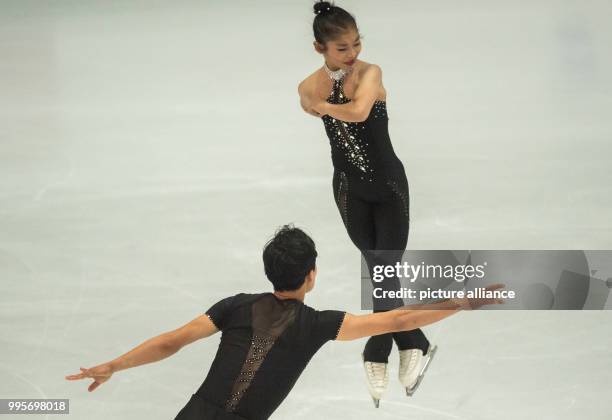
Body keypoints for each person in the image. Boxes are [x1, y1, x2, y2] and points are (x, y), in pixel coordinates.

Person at [65, 225, 503, 418]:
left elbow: (171, 342)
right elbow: (401, 319)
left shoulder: (235, 307)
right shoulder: (316, 325)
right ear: (311, 276)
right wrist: (464, 301)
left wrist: (114, 366)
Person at [297, 1, 431, 405]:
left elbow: (357, 112)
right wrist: (320, 99)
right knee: (378, 268)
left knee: (384, 266)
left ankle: (377, 348)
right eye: (342, 49)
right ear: (319, 47)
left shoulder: (371, 74)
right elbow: (307, 97)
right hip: (349, 192)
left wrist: (321, 106)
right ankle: (413, 339)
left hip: (389, 187)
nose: (352, 54)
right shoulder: (309, 84)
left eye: (356, 44)